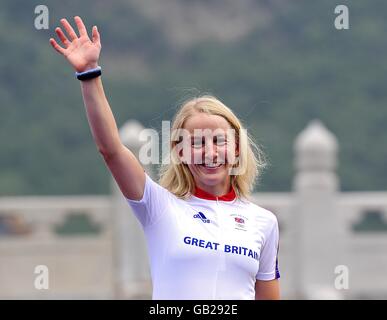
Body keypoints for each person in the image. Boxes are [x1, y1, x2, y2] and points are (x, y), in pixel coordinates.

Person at [50, 16, 280, 300]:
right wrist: (89, 74)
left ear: (235, 149)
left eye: (219, 141)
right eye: (197, 143)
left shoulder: (264, 222)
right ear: (180, 152)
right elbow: (111, 150)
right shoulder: (159, 206)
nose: (209, 152)